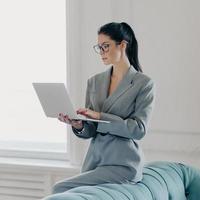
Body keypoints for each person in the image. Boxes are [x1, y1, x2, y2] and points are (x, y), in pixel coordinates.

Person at [52, 22, 156, 194]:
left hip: (123, 163)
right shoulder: (94, 81)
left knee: (59, 188)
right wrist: (79, 124)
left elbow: (138, 130)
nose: (101, 52)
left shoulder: (143, 83)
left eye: (105, 46)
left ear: (122, 45)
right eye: (99, 47)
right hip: (95, 162)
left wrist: (100, 116)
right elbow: (91, 129)